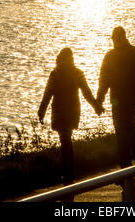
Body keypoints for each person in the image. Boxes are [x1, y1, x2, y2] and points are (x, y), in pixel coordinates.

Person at [38, 48, 103, 185]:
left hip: (60, 112)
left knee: (65, 140)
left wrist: (41, 110)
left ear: (59, 59)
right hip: (73, 111)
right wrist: (96, 106)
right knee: (66, 139)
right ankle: (69, 172)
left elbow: (48, 93)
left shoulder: (55, 74)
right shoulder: (77, 73)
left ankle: (68, 174)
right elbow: (86, 92)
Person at [96, 27, 135, 169]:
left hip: (118, 100)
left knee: (122, 130)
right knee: (128, 127)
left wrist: (99, 100)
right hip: (134, 99)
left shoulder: (111, 56)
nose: (114, 41)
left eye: (114, 39)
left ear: (117, 38)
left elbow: (104, 81)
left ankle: (127, 166)